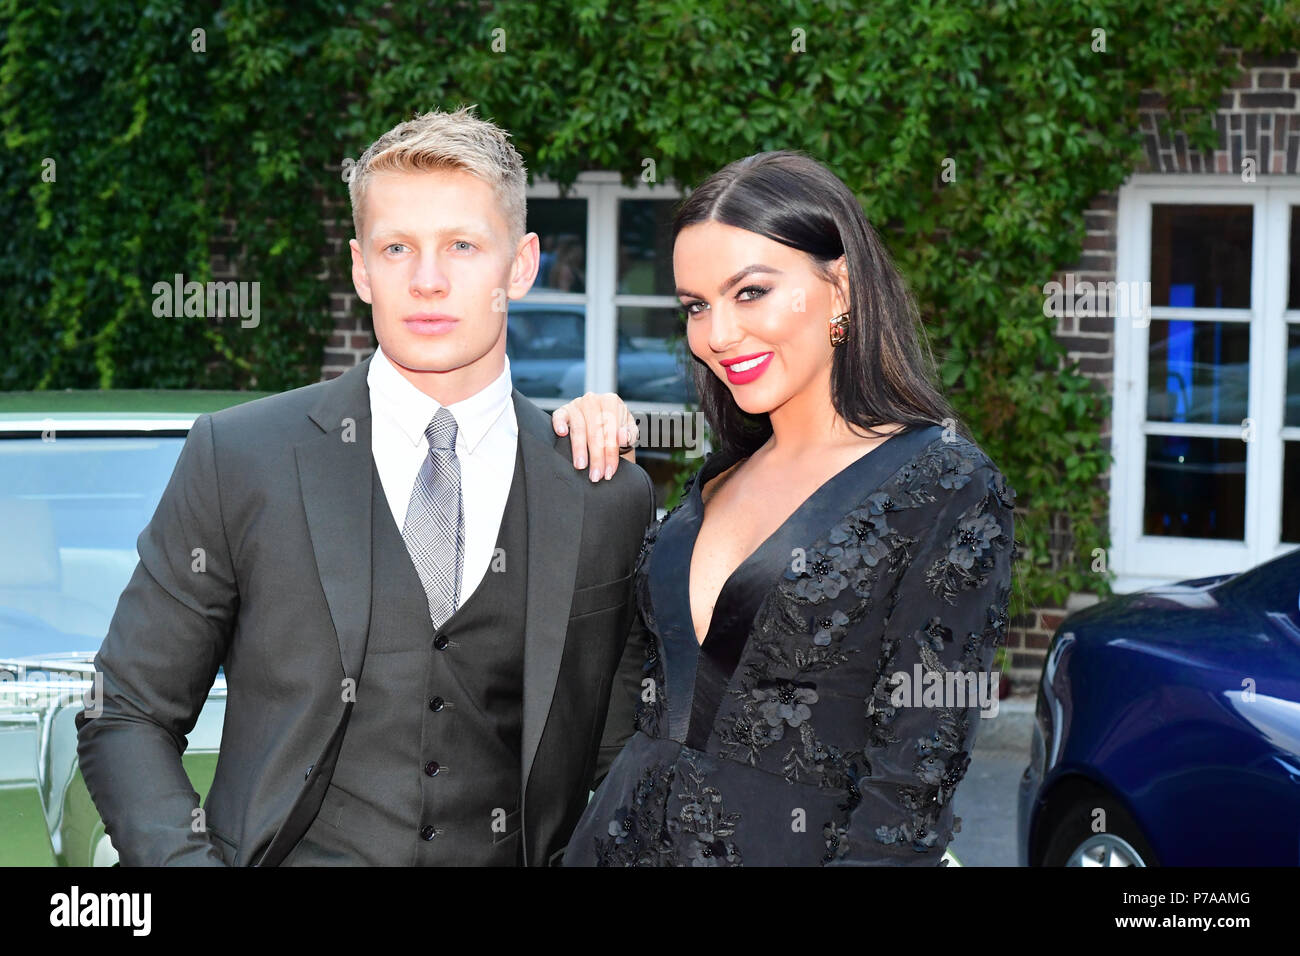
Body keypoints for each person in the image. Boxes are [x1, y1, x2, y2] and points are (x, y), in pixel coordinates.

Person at [75, 106, 654, 867]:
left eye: (462, 246)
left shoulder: (602, 492)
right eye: (397, 247)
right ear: (360, 267)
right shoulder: (244, 457)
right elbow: (126, 710)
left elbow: (624, 764)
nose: (427, 280)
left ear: (521, 264)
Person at [551, 150, 1017, 866]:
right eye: (696, 306)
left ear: (841, 288)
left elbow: (912, 785)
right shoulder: (718, 475)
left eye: (750, 292)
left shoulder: (944, 484)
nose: (719, 334)